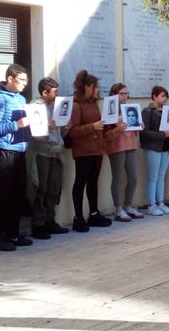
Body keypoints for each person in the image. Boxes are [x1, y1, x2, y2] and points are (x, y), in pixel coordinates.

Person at [0, 63, 32, 251]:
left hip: (20, 150)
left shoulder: (21, 99)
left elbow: (24, 125)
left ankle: (13, 234)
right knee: (1, 196)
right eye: (21, 80)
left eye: (26, 80)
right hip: (4, 151)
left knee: (17, 195)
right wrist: (15, 125)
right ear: (10, 79)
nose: (25, 84)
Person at [26, 77, 69, 240]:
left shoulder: (55, 107)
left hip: (56, 152)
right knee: (40, 189)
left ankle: (50, 221)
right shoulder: (34, 107)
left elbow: (58, 132)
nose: (57, 95)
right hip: (42, 152)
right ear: (45, 92)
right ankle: (39, 224)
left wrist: (65, 127)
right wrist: (46, 126)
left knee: (54, 188)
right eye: (55, 92)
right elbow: (32, 133)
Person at [68, 70, 112, 232]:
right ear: (87, 87)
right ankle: (78, 217)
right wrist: (92, 127)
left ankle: (94, 213)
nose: (98, 90)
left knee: (93, 183)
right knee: (80, 183)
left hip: (97, 150)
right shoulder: (76, 105)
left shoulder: (93, 103)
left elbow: (99, 125)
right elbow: (73, 131)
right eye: (96, 87)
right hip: (83, 151)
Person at [105, 83, 144, 222]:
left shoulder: (130, 108)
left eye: (126, 93)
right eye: (121, 93)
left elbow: (135, 132)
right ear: (114, 95)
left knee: (133, 177)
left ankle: (128, 205)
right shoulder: (109, 110)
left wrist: (139, 126)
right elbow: (106, 135)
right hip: (116, 147)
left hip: (131, 145)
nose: (125, 96)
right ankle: (118, 209)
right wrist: (117, 129)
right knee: (118, 177)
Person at [140, 86, 169, 215]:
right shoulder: (148, 111)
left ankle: (160, 202)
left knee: (161, 176)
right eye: (162, 95)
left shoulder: (168, 110)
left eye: (166, 96)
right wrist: (163, 134)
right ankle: (151, 204)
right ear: (154, 96)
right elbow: (143, 132)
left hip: (166, 147)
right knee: (153, 176)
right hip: (153, 147)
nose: (165, 98)